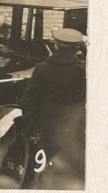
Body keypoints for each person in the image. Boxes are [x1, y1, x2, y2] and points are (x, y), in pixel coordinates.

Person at [20, 28, 86, 159]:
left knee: (48, 162)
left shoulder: (41, 68)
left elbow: (28, 100)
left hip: (47, 125)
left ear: (55, 45)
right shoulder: (82, 69)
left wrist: (33, 127)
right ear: (76, 47)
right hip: (74, 126)